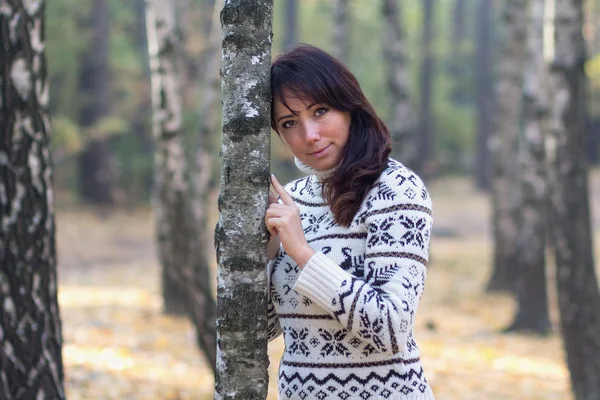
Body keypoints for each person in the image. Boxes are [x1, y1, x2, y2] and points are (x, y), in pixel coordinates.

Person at [265, 44, 435, 400]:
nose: (309, 134)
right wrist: (267, 256)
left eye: (320, 111)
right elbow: (262, 330)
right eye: (289, 122)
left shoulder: (396, 190)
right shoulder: (290, 201)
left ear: (350, 108)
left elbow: (390, 329)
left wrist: (302, 253)